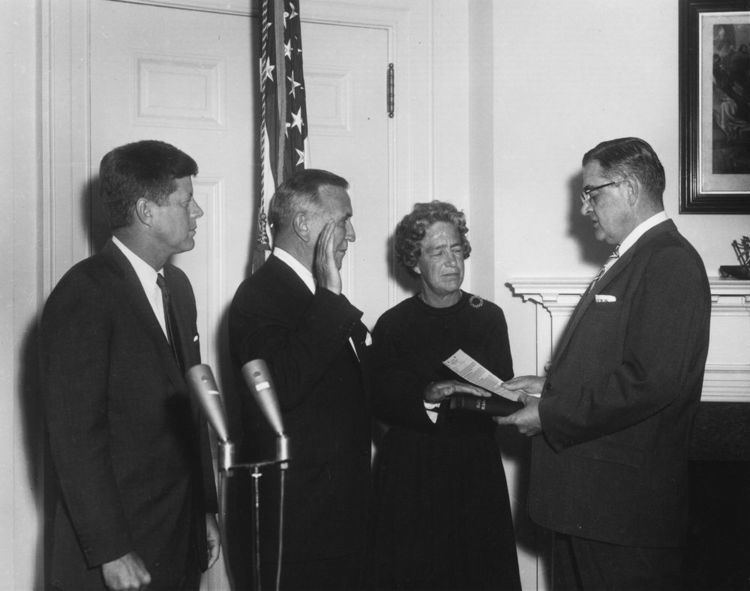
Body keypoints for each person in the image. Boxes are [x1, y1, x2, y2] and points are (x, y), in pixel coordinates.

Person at [496, 137, 711, 590]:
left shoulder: (669, 261)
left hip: (623, 516)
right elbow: (621, 360)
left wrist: (550, 414)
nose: (584, 207)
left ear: (629, 189)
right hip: (596, 508)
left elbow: (650, 382)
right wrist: (551, 383)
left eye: (592, 192)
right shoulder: (639, 257)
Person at [41, 140, 220, 591]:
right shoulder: (84, 293)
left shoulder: (177, 289)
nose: (197, 212)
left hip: (178, 539)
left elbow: (191, 412)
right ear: (146, 210)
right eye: (186, 200)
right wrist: (111, 549)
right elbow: (75, 438)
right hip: (118, 554)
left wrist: (204, 512)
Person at [228, 169, 370, 590]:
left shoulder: (317, 293)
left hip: (340, 518)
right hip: (298, 525)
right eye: (343, 219)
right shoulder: (259, 296)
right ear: (304, 224)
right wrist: (330, 296)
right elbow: (283, 385)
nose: (352, 234)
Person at [369, 201, 521, 591]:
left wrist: (502, 396)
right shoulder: (392, 324)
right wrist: (429, 395)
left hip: (474, 473)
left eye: (456, 249)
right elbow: (380, 403)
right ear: (415, 262)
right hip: (411, 477)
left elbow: (502, 393)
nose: (452, 261)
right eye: (437, 252)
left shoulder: (487, 316)